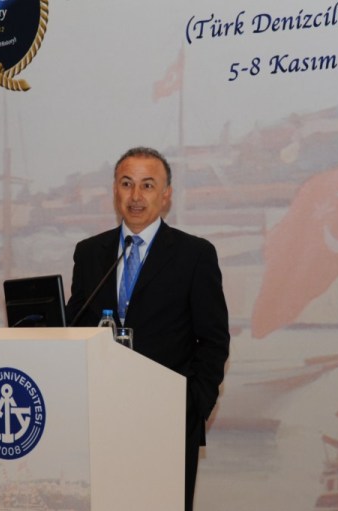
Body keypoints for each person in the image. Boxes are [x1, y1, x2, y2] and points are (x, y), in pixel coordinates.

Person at [65, 146, 230, 511]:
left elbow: (214, 340)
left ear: (166, 195)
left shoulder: (195, 254)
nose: (136, 196)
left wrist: (193, 406)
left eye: (148, 185)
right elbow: (75, 328)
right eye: (127, 184)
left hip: (168, 420)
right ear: (115, 191)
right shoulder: (90, 253)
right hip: (101, 421)